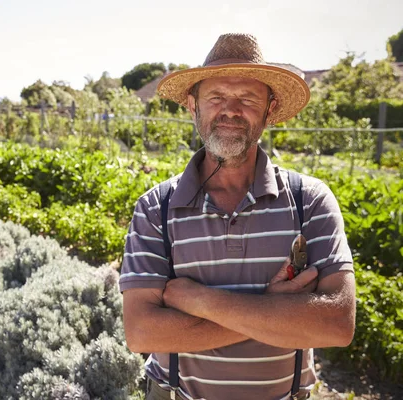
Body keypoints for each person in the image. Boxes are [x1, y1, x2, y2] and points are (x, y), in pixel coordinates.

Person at [120, 33, 356, 400]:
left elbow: (337, 324)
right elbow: (142, 333)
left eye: (247, 98)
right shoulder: (157, 207)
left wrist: (198, 300)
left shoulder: (308, 200)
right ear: (192, 104)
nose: (230, 110)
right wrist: (274, 310)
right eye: (215, 97)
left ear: (270, 109)